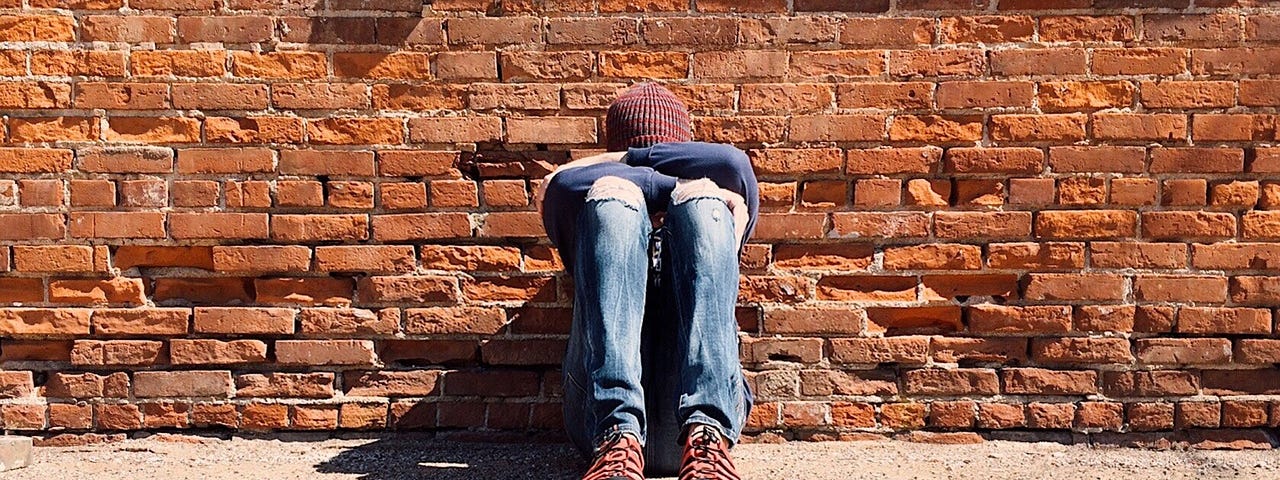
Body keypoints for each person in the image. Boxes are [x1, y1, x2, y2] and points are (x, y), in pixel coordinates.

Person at [534, 82, 760, 480]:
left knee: (704, 202)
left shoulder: (718, 207)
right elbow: (563, 185)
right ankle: (618, 436)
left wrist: (658, 179)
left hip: (706, 431)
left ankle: (706, 433)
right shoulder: (595, 208)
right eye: (632, 167)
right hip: (599, 425)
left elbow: (733, 163)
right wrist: (652, 176)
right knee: (613, 200)